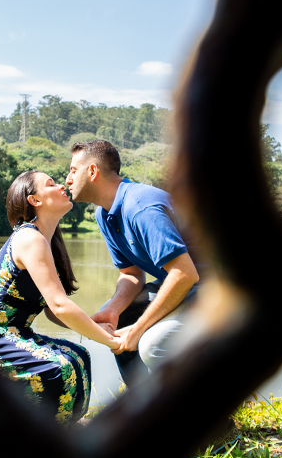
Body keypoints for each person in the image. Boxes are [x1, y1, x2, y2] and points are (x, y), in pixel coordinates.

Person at [0, 170, 121, 424]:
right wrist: (112, 341)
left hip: (12, 330)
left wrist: (93, 326)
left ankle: (60, 432)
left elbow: (53, 310)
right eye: (51, 184)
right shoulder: (29, 237)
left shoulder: (48, 242)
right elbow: (60, 306)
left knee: (78, 355)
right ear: (34, 200)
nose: (62, 185)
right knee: (58, 368)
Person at [65, 140, 201, 385]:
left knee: (153, 345)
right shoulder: (104, 213)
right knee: (118, 320)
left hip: (220, 290)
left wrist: (138, 330)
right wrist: (113, 310)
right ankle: (143, 407)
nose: (68, 179)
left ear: (93, 171)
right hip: (186, 285)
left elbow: (184, 274)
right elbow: (131, 273)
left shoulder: (140, 207)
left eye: (73, 170)